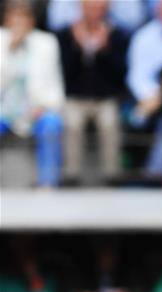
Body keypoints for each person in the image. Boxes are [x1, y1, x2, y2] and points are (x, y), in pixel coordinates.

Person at [57, 0, 128, 185]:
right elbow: (64, 72)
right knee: (71, 123)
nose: (95, 13)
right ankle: (71, 176)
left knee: (110, 122)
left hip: (105, 98)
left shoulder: (117, 35)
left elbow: (120, 73)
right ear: (81, 8)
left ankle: (112, 176)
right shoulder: (66, 34)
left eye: (99, 8)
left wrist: (105, 50)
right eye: (90, 8)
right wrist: (77, 48)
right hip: (75, 98)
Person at [0, 0, 65, 188]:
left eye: (23, 16)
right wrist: (11, 49)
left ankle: (48, 183)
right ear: (6, 19)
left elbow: (55, 84)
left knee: (52, 124)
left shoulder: (47, 43)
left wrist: (44, 106)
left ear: (32, 21)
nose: (19, 21)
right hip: (4, 110)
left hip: (36, 108)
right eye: (14, 16)